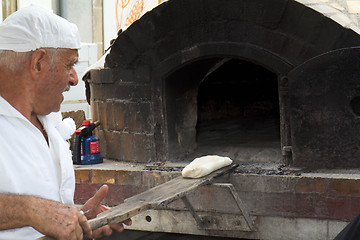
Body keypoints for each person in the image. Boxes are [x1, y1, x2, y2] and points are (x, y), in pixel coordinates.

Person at [0, 4, 131, 240]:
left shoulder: (48, 123)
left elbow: (46, 220)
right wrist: (30, 210)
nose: (74, 79)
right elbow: (38, 215)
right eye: (69, 64)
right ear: (38, 62)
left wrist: (80, 220)